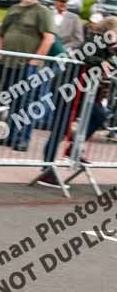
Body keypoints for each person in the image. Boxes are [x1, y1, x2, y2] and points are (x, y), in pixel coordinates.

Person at [36, 16, 117, 188]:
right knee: (60, 128)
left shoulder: (109, 46)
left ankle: (74, 147)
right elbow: (85, 56)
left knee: (100, 115)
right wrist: (101, 62)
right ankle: (47, 170)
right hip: (67, 89)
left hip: (84, 94)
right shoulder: (94, 40)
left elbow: (110, 64)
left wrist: (109, 57)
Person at [0, 0, 55, 152]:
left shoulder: (42, 12)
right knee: (13, 101)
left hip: (29, 65)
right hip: (9, 62)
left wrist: (35, 60)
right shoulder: (13, 9)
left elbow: (48, 38)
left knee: (26, 104)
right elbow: (1, 33)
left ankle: (22, 139)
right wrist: (1, 53)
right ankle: (10, 136)